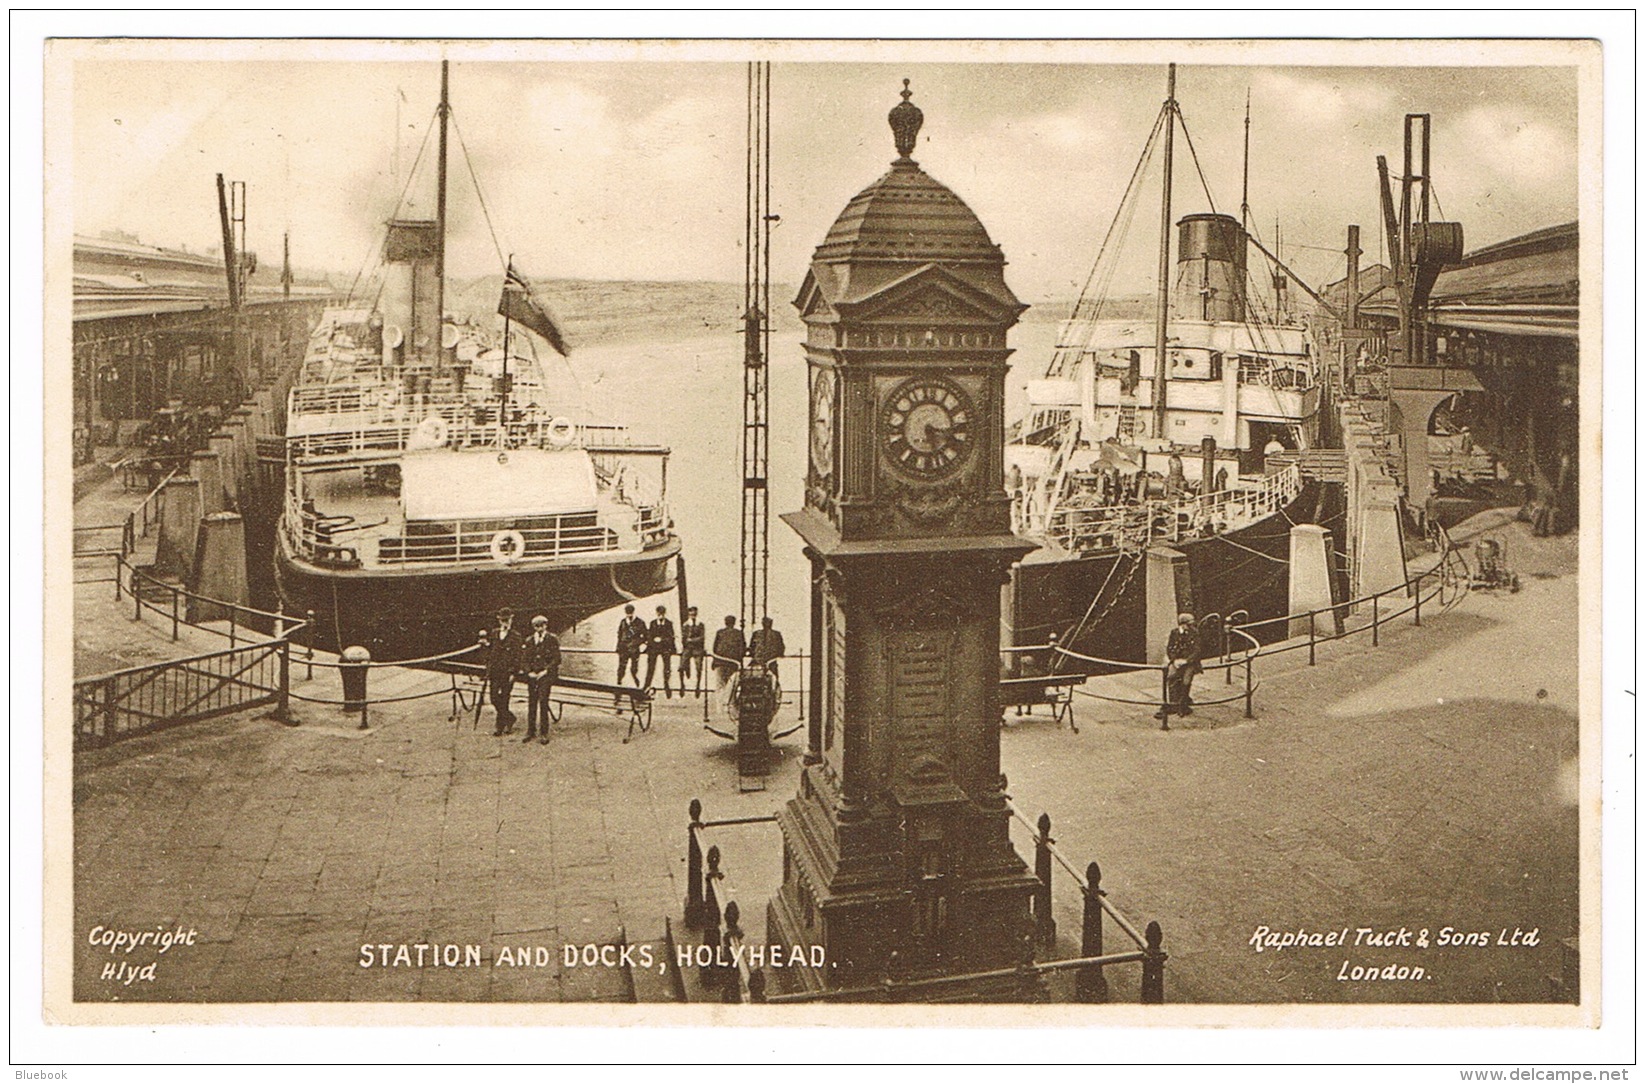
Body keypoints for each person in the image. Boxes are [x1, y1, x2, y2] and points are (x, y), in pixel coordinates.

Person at [520, 614, 561, 745]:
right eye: (536, 626)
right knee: (532, 702)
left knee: (543, 701)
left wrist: (546, 670)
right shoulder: (529, 640)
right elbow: (525, 659)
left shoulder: (552, 639)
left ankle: (544, 732)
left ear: (545, 626)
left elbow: (557, 659)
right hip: (533, 675)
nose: (539, 629)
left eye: (541, 626)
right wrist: (529, 672)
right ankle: (530, 731)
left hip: (546, 675)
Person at [1156, 612, 1202, 720]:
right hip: (1177, 661)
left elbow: (1197, 650)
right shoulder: (1174, 633)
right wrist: (1174, 660)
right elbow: (1170, 648)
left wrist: (1186, 660)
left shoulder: (1195, 633)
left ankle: (1183, 704)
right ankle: (1173, 703)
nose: (1191, 627)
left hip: (1190, 662)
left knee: (1186, 680)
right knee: (1171, 677)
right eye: (1189, 625)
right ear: (1182, 624)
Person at [485, 608, 522, 735]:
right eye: (503, 620)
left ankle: (500, 725)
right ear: (499, 621)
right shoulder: (494, 634)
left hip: (507, 672)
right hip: (495, 671)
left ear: (511, 620)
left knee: (504, 698)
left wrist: (513, 673)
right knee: (494, 698)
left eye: (507, 620)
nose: (505, 623)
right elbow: (491, 652)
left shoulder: (515, 636)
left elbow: (518, 656)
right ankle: (510, 718)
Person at [711, 615, 745, 709]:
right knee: (732, 686)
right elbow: (742, 648)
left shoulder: (720, 633)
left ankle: (719, 707)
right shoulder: (739, 633)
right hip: (733, 664)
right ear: (734, 623)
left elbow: (714, 648)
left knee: (720, 685)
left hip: (720, 662)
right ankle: (730, 706)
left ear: (725, 622)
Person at [644, 604, 677, 698]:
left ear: (664, 613)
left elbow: (671, 636)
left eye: (662, 613)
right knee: (651, 667)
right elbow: (649, 636)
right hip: (654, 648)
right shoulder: (653, 623)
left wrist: (662, 640)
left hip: (665, 648)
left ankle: (667, 685)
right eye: (659, 613)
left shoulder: (669, 623)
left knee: (667, 668)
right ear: (657, 613)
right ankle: (647, 685)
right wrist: (653, 641)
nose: (661, 615)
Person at [615, 604, 645, 686]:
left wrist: (636, 643)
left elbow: (645, 636)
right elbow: (619, 635)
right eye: (627, 613)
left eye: (630, 613)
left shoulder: (640, 622)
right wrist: (618, 647)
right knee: (621, 668)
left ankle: (636, 683)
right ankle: (619, 684)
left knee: (634, 669)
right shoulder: (623, 622)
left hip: (634, 649)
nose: (629, 615)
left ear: (633, 612)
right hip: (623, 649)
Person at [678, 606, 706, 691]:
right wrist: (689, 641)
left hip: (697, 649)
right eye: (691, 614)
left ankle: (698, 685)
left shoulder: (700, 624)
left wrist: (691, 640)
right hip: (688, 648)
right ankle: (682, 684)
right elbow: (684, 638)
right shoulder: (686, 625)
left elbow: (702, 637)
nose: (693, 615)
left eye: (694, 614)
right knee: (681, 666)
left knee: (698, 667)